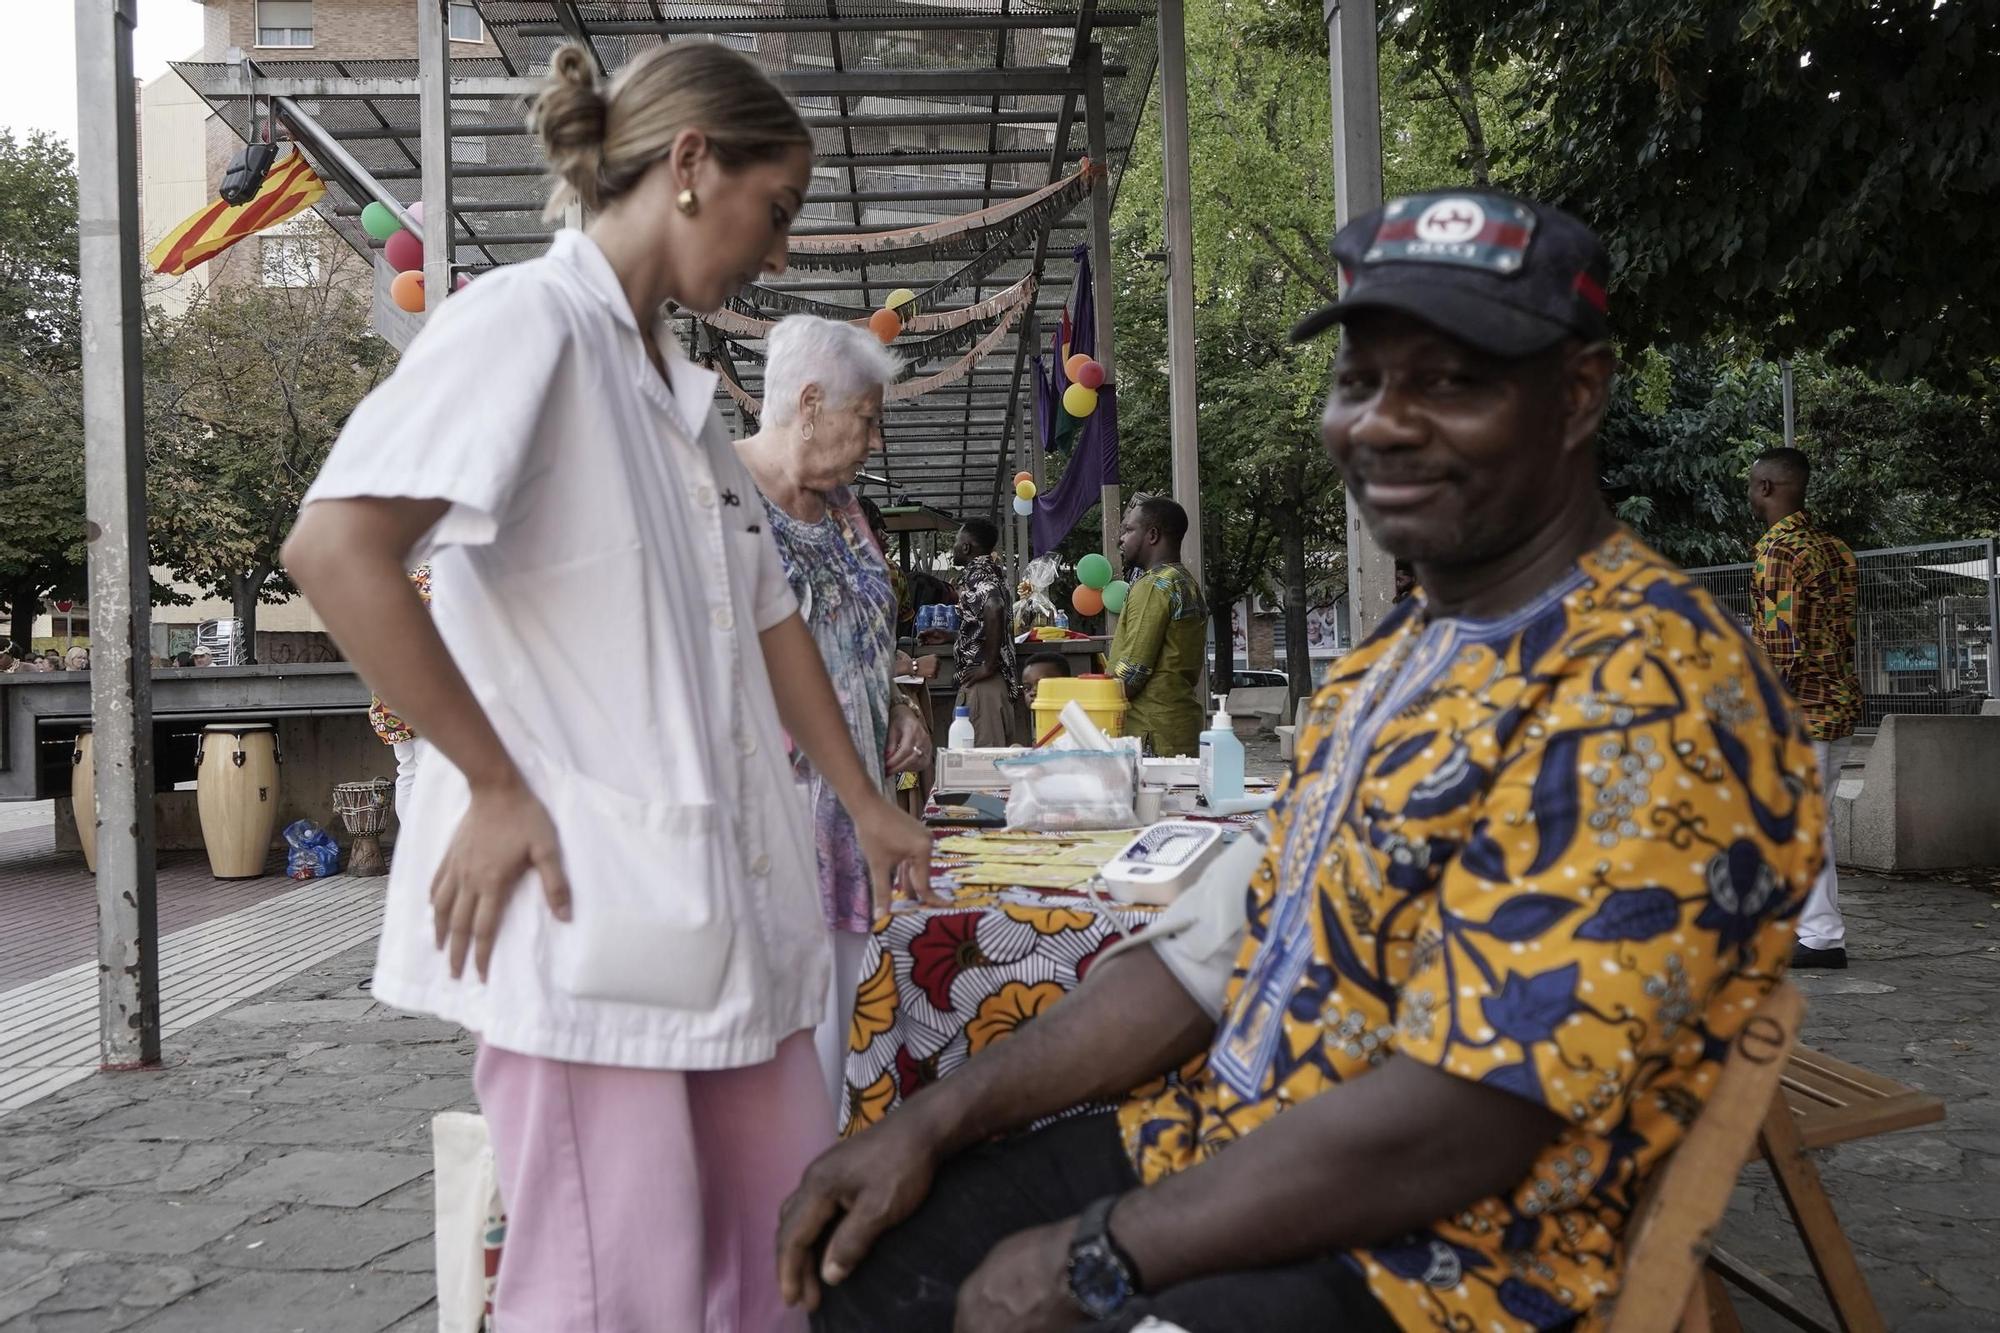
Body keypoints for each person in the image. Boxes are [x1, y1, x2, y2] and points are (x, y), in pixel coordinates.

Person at [777, 191, 1820, 1333]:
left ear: (1576, 396)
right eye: (1361, 379)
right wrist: (929, 1119)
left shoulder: (1649, 691)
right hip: (1219, 1143)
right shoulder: (1402, 655)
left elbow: (1464, 1118)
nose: (1383, 422)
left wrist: (1092, 1258)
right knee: (872, 1270)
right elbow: (1209, 955)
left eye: (1453, 381)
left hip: (1430, 1263)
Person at [280, 41, 932, 1332]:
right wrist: (493, 782)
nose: (782, 253)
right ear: (692, 165)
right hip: (581, 912)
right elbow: (336, 549)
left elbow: (772, 621)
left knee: (783, 1254)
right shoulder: (527, 324)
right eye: (779, 210)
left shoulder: (683, 403)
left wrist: (863, 802)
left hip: (722, 912)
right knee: (609, 1291)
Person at [734, 314, 935, 1109]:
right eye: (869, 419)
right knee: (772, 1072)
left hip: (852, 826)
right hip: (767, 828)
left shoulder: (846, 509)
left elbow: (859, 639)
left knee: (836, 1057)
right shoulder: (720, 494)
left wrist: (893, 710)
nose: (875, 441)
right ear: (810, 403)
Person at [1750, 446, 1861, 970]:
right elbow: (1841, 633)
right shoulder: (1835, 549)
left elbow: (1781, 646)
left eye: (1752, 485)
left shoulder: (1778, 551)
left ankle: (1819, 936)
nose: (1750, 495)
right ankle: (1808, 929)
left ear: (1766, 488)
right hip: (1836, 704)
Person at [1106, 496, 1209, 757]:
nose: (1121, 539)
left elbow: (1132, 673)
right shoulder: (1184, 580)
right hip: (1181, 727)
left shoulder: (1154, 585)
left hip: (1151, 733)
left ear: (1152, 535)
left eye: (1129, 530)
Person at [367, 566, 434, 820]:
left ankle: (410, 845)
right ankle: (426, 845)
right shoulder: (433, 578)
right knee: (429, 772)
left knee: (407, 771)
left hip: (388, 692)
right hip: (424, 689)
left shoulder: (387, 577)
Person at [952, 518, 1019, 746]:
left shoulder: (977, 574)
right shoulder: (992, 571)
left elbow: (994, 606)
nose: (954, 546)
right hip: (993, 688)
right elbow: (983, 619)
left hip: (984, 690)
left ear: (966, 547)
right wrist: (954, 636)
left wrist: (987, 665)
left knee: (982, 773)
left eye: (956, 541)